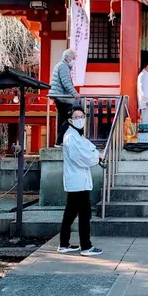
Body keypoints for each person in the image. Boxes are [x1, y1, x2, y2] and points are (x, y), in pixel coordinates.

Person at [58, 105, 104, 256]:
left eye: (81, 116)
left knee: (70, 212)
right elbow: (81, 157)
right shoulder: (71, 137)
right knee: (84, 214)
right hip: (77, 181)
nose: (80, 119)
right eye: (76, 117)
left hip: (78, 180)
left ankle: (64, 244)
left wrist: (96, 154)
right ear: (70, 120)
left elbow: (89, 147)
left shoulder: (77, 135)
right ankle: (86, 246)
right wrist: (97, 157)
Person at [49, 49, 78, 146]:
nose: (74, 60)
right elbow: (66, 83)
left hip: (59, 97)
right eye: (73, 58)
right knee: (66, 119)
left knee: (63, 119)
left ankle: (60, 140)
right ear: (68, 58)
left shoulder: (61, 66)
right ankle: (60, 141)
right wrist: (74, 93)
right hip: (62, 98)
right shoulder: (63, 66)